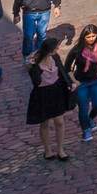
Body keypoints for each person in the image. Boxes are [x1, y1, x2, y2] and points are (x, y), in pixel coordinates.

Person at [26, 33, 75, 161]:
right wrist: (30, 66)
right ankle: (47, 150)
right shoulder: (35, 60)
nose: (57, 50)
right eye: (56, 48)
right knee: (45, 123)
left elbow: (62, 71)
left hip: (56, 91)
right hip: (42, 93)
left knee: (59, 121)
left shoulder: (55, 57)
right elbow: (35, 79)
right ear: (50, 49)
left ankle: (60, 149)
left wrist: (70, 83)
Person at [65, 24, 97, 141]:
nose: (91, 39)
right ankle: (86, 130)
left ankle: (90, 119)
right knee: (83, 108)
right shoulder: (77, 50)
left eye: (94, 36)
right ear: (84, 37)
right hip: (81, 82)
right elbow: (67, 67)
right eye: (88, 37)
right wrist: (74, 82)